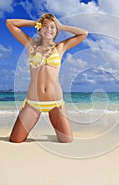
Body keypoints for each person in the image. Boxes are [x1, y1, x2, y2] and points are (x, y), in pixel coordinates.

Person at [6, 13, 88, 143]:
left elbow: (84, 33)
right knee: (15, 140)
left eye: (52, 27)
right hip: (33, 102)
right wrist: (35, 22)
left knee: (67, 140)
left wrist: (61, 26)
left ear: (56, 31)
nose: (48, 29)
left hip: (55, 103)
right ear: (39, 29)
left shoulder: (60, 47)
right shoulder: (31, 45)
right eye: (45, 26)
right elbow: (10, 23)